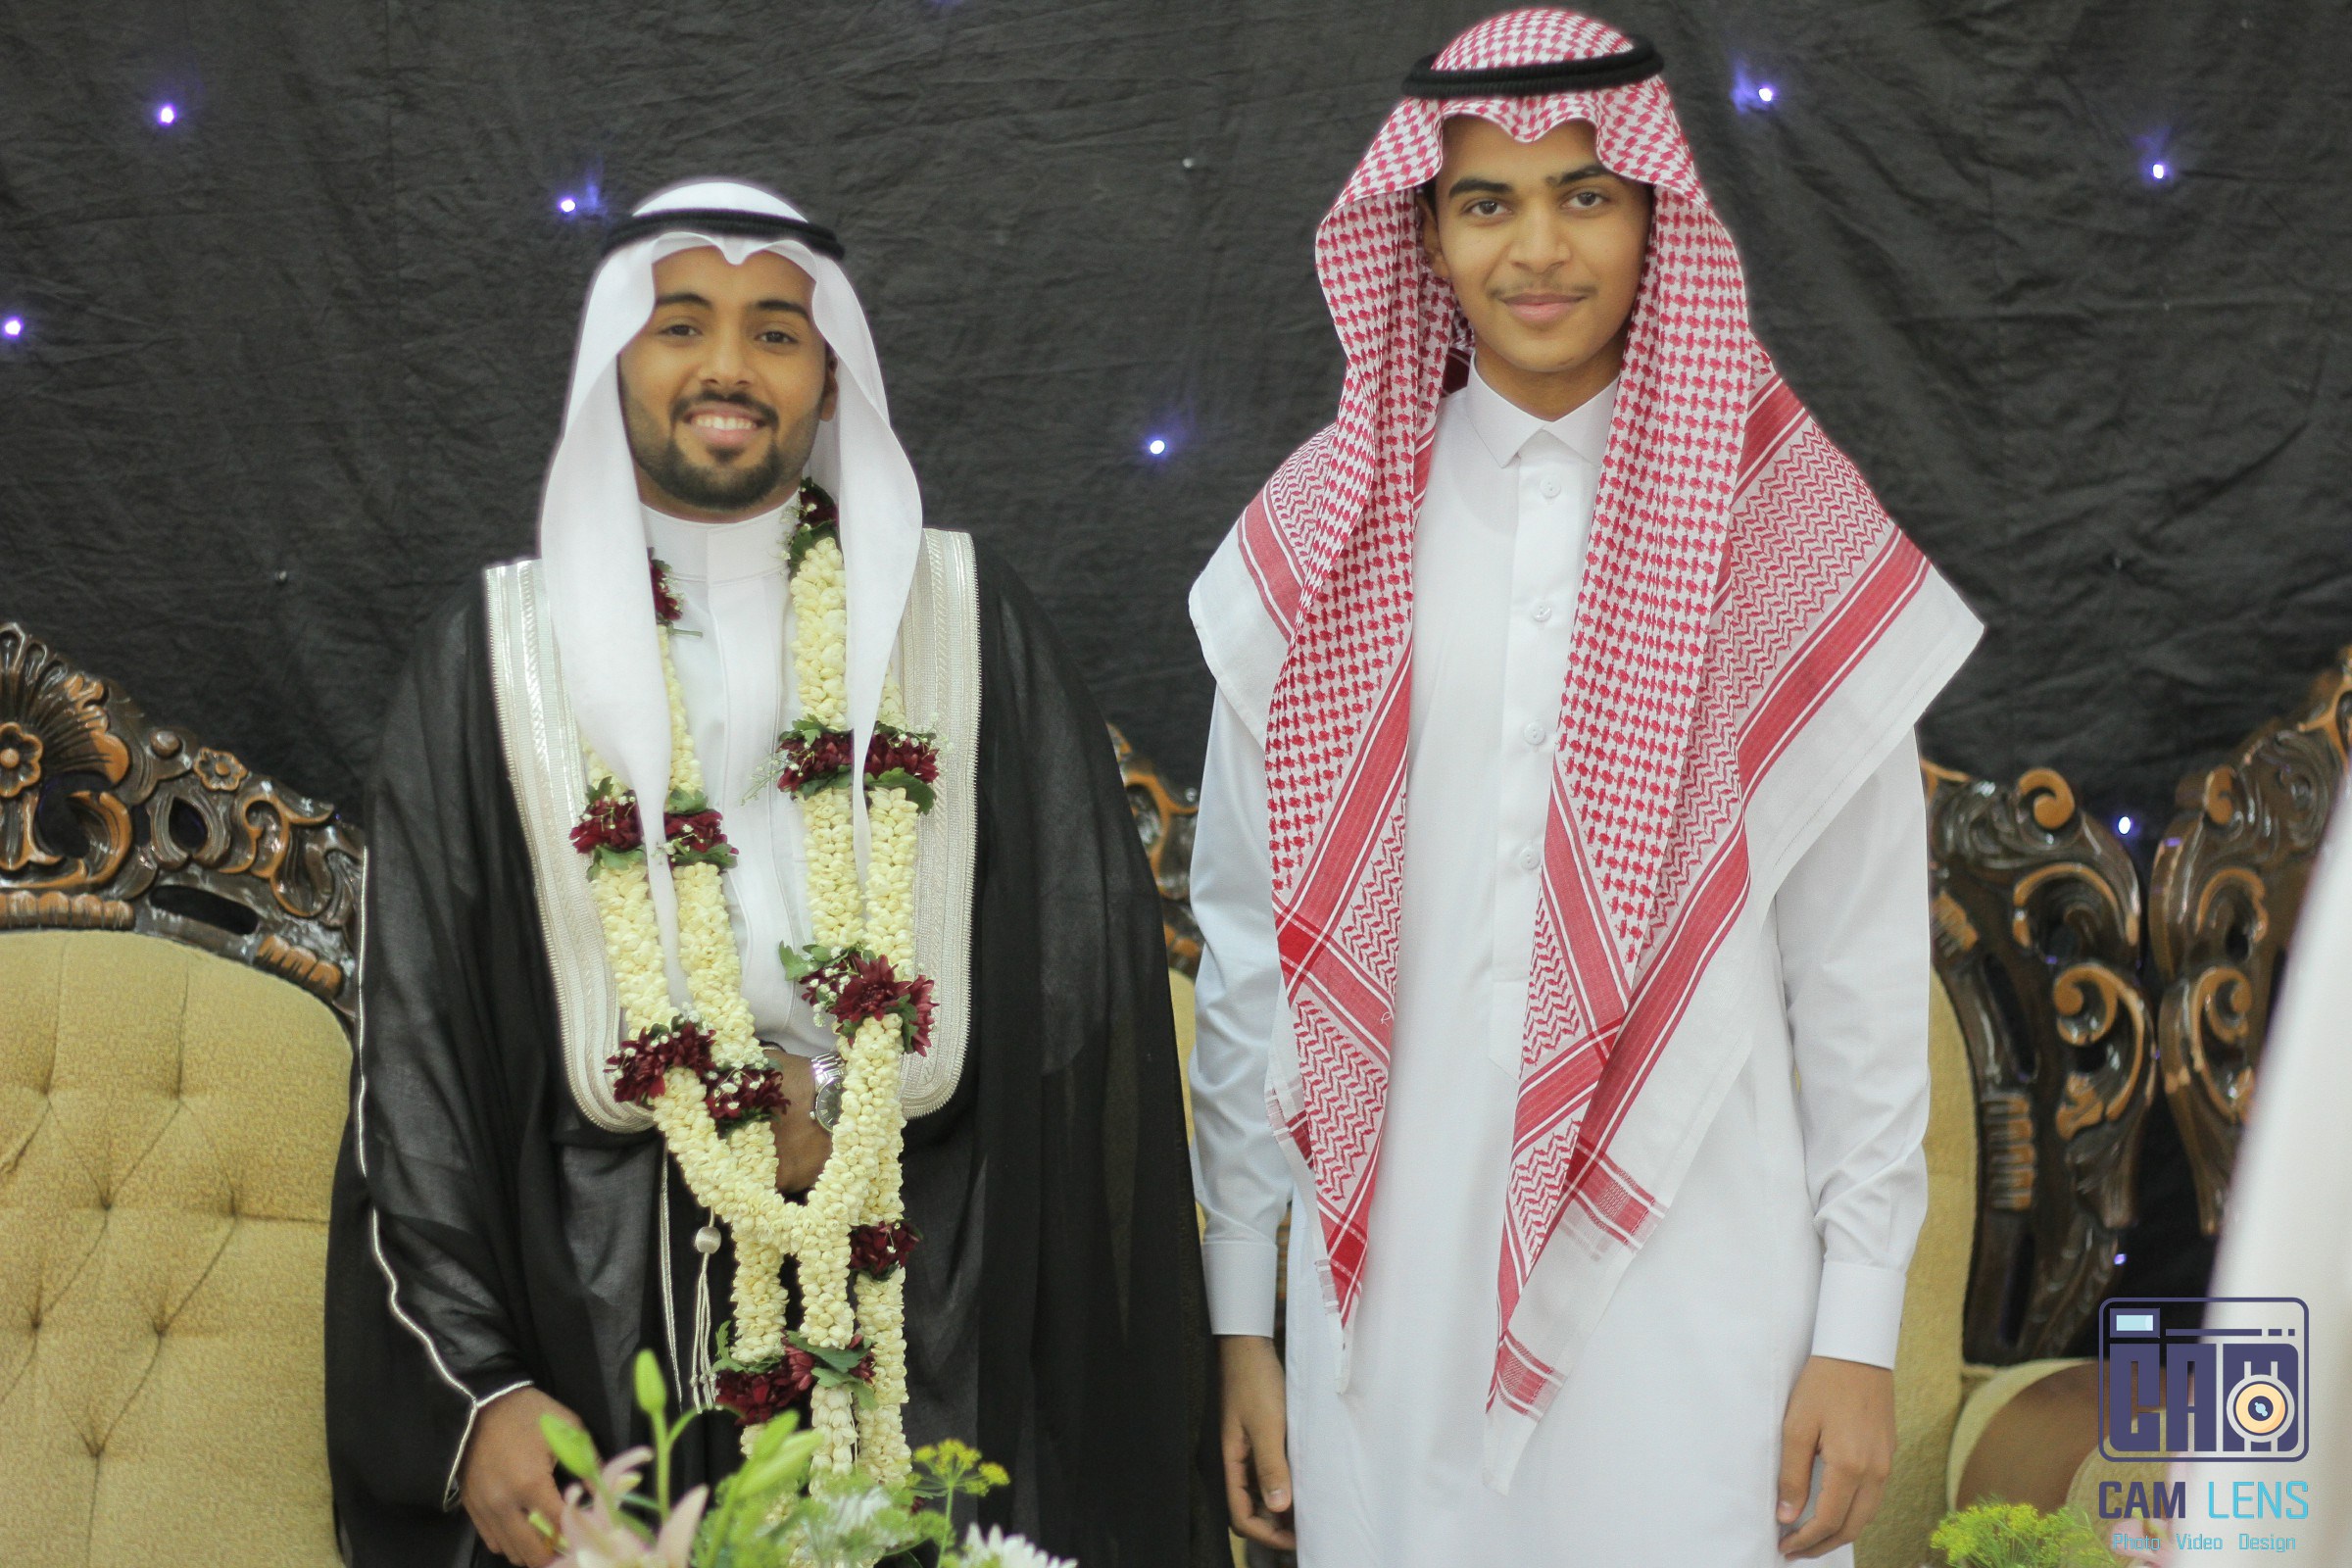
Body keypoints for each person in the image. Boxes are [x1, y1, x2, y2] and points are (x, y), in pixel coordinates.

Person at [325, 178, 1219, 1568]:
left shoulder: (964, 621)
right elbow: (415, 1060)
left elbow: (1080, 1013)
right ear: (616, 358)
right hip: (606, 1317)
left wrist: (844, 1101)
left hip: (933, 1304)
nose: (728, 367)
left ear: (831, 374)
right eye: (681, 325)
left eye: (777, 332)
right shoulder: (493, 656)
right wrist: (478, 1387)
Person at [1186, 12, 1982, 1565]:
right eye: (1487, 201)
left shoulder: (1783, 533)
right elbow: (1247, 955)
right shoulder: (1320, 534)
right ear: (1424, 231)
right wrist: (1241, 1321)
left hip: (1694, 1276)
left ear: (1655, 218)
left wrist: (1860, 1328)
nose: (1538, 248)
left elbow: (1860, 970)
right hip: (1383, 1302)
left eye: (1586, 195)